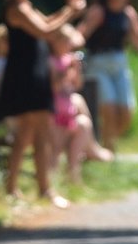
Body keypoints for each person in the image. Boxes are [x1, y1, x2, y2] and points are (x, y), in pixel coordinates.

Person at [0, 0, 86, 207]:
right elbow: (45, 31)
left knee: (29, 135)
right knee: (34, 135)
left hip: (33, 75)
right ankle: (40, 189)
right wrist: (71, 11)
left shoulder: (26, 6)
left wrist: (67, 10)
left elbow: (46, 23)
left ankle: (20, 188)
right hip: (25, 77)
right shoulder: (17, 9)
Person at [77, 0, 138, 152]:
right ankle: (108, 152)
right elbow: (81, 34)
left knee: (127, 113)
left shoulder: (128, 13)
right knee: (109, 110)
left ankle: (99, 145)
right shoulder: (98, 11)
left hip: (120, 64)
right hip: (98, 64)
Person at [48, 25, 114, 183]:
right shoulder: (49, 61)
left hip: (68, 111)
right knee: (55, 151)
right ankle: (52, 184)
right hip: (53, 114)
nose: (68, 46)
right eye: (65, 42)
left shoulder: (68, 59)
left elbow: (77, 85)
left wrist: (76, 69)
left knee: (83, 122)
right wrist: (65, 71)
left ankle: (74, 176)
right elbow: (53, 86)